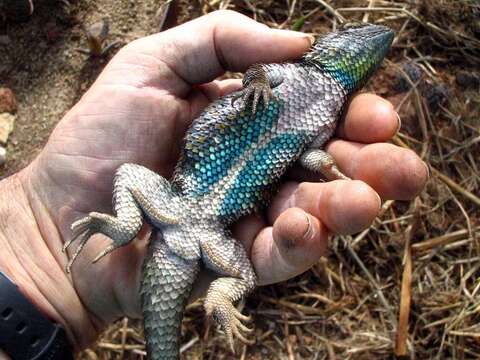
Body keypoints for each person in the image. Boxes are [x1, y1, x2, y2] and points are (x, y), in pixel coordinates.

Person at [0, 11, 428, 355]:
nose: (373, 39)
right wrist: (257, 81)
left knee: (239, 274)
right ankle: (125, 226)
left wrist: (329, 166)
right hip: (176, 201)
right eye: (356, 32)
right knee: (129, 173)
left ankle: (219, 298)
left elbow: (309, 155)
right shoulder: (297, 72)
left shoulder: (331, 115)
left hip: (209, 229)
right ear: (333, 43)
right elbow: (257, 71)